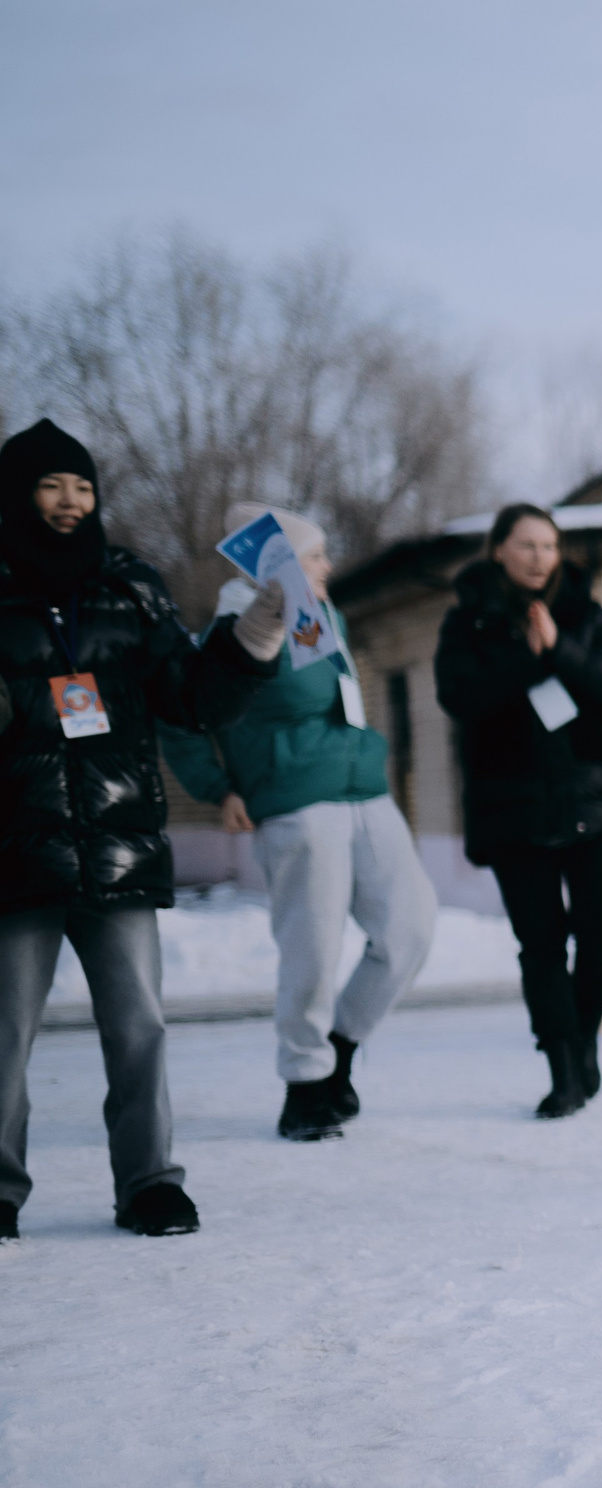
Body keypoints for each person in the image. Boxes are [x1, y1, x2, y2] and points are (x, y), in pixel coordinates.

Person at [0, 419, 284, 1239]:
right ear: (19, 493)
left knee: (140, 1024)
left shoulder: (130, 585)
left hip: (119, 836)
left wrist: (257, 633)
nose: (69, 502)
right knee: (6, 1031)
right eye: (51, 485)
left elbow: (190, 695)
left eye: (82, 487)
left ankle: (151, 1182)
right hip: (17, 843)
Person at [163, 504, 439, 1141]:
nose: (328, 566)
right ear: (278, 565)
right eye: (314, 556)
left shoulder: (324, 616)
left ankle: (339, 1050)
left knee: (410, 931)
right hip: (294, 801)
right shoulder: (233, 630)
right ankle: (305, 1082)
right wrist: (217, 788)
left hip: (364, 790)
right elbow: (178, 719)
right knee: (312, 947)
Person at [433, 504, 602, 1121]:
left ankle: (586, 1035)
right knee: (541, 944)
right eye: (525, 545)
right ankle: (561, 1068)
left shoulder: (585, 612)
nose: (539, 557)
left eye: (549, 546)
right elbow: (458, 697)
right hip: (512, 807)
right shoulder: (467, 619)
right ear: (498, 549)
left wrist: (562, 650)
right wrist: (527, 658)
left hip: (594, 800)